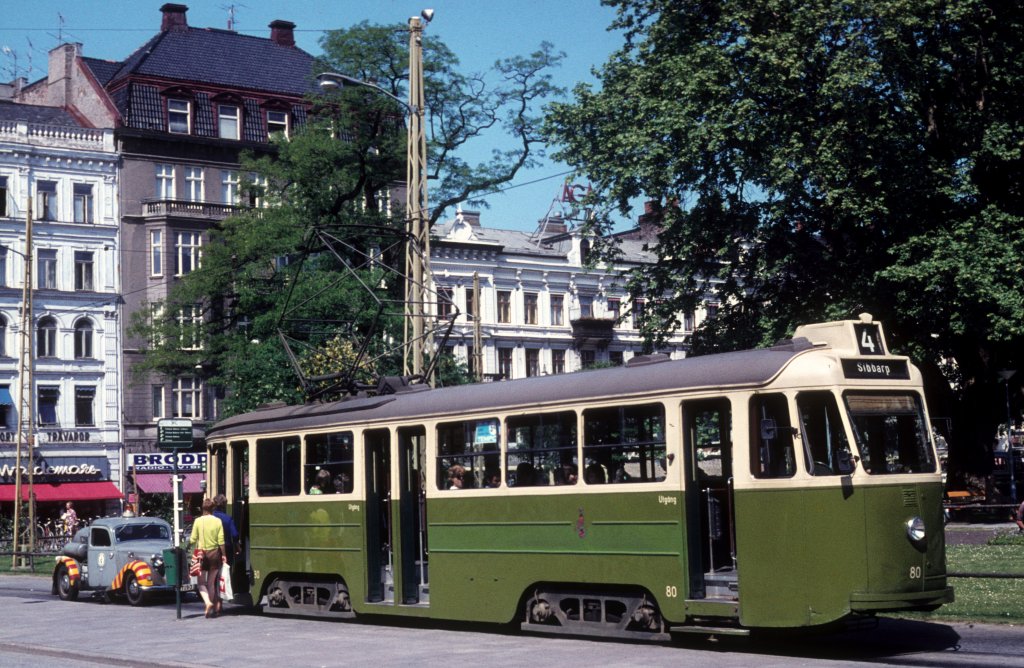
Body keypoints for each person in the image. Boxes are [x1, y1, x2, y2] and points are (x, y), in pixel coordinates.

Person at [189, 497, 226, 618]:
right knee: (211, 583)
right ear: (213, 508)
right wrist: (224, 555)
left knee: (201, 583)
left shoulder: (198, 521)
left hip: (202, 554)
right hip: (215, 554)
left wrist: (189, 544)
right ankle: (210, 609)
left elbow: (193, 539)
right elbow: (221, 541)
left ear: (202, 508)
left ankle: (208, 603)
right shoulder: (218, 521)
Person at [212, 494, 240, 615]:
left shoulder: (209, 518)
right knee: (222, 576)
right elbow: (234, 535)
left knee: (212, 577)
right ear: (224, 505)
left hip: (211, 549)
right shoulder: (228, 519)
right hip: (226, 550)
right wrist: (238, 546)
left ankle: (213, 603)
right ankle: (220, 604)